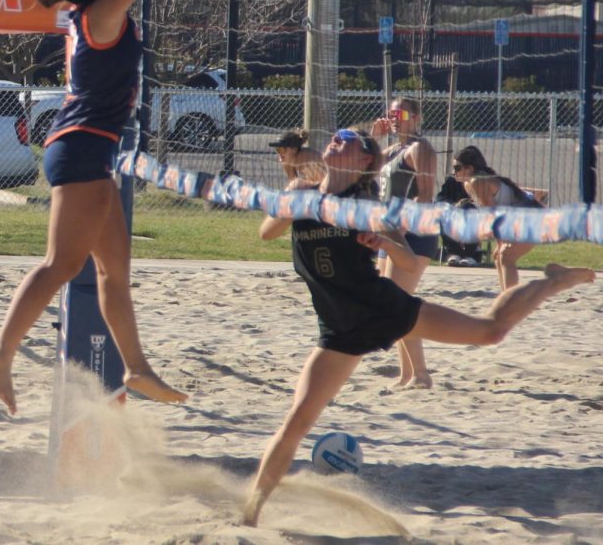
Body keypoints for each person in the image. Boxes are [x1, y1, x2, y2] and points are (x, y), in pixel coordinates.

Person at [242, 128, 594, 527]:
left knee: (490, 332)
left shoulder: (368, 207)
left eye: (350, 139)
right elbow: (266, 233)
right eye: (336, 136)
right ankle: (250, 514)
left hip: (385, 310)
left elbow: (408, 264)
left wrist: (384, 245)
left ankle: (554, 281)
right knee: (296, 422)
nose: (338, 140)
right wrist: (296, 194)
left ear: (365, 161)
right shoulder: (301, 194)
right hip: (340, 331)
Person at [0, 0, 217, 415]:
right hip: (82, 146)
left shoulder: (93, 5)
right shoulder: (104, 9)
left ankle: (136, 368)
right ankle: (0, 353)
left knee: (115, 271)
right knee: (61, 265)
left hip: (89, 146)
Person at [370, 96, 439, 389]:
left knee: (399, 305)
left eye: (400, 112)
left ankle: (421, 374)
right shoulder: (393, 149)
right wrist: (375, 137)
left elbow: (425, 193)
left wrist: (400, 217)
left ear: (415, 117)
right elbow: (367, 172)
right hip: (391, 232)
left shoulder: (419, 148)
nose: (395, 117)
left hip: (413, 232)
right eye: (392, 112)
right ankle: (408, 374)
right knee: (391, 306)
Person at [453, 145, 541, 290]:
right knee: (498, 255)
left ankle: (511, 300)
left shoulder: (477, 181)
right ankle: (506, 296)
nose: (454, 172)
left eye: (457, 168)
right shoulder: (468, 184)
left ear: (469, 168)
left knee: (506, 255)